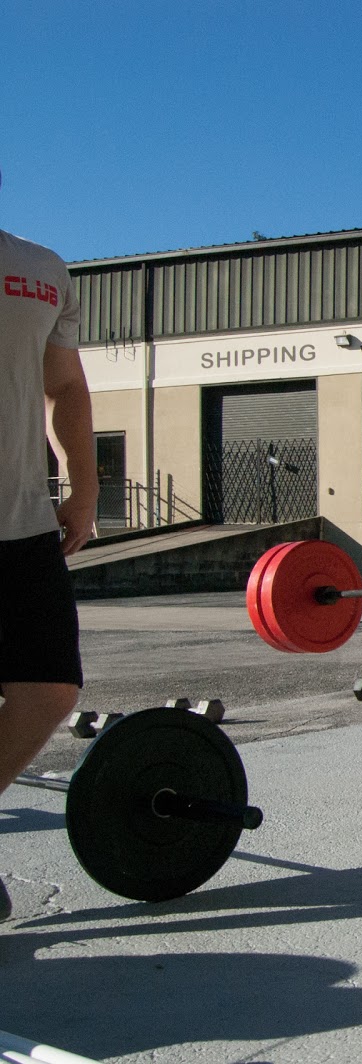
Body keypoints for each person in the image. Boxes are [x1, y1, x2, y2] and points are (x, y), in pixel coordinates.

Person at [0, 220, 98, 921]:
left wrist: (85, 489)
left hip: (21, 522)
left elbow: (65, 386)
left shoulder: (41, 269)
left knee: (51, 688)